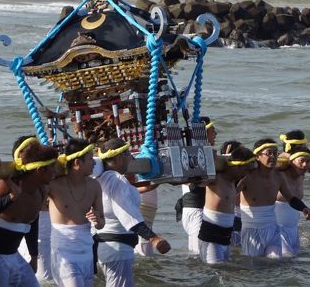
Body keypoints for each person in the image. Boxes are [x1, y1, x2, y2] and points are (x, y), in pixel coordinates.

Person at [0, 136, 58, 287]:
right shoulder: (7, 185)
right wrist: (11, 198)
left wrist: (34, 256)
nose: (55, 171)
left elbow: (32, 220)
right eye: (52, 166)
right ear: (40, 169)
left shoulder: (41, 190)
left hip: (13, 255)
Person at [95, 138, 170, 286]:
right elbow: (127, 215)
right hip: (117, 247)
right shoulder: (117, 181)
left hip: (104, 246)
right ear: (117, 158)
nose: (133, 158)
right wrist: (153, 238)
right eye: (128, 154)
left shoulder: (100, 178)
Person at [237, 139, 310, 259]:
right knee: (254, 268)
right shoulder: (247, 177)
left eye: (275, 153)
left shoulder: (278, 177)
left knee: (276, 264)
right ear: (257, 156)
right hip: (252, 230)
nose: (272, 156)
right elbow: (231, 197)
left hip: (273, 229)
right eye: (269, 153)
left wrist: (304, 207)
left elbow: (291, 198)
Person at [48, 138, 105, 287]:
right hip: (64, 251)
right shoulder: (54, 185)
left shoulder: (94, 185)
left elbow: (101, 224)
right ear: (77, 163)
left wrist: (98, 220)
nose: (94, 163)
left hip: (86, 250)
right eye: (90, 159)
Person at [198, 145, 256, 264]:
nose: (247, 174)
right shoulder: (215, 179)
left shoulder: (233, 182)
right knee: (215, 272)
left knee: (225, 274)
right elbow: (194, 181)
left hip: (226, 238)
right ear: (237, 166)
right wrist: (209, 159)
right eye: (246, 169)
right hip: (211, 238)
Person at [175, 117, 217, 254]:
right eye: (213, 130)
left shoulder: (200, 152)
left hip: (195, 210)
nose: (216, 134)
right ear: (203, 134)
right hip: (195, 211)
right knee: (199, 253)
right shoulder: (195, 153)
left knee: (201, 251)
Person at [275, 143, 310, 256]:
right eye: (301, 161)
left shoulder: (301, 175)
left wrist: (304, 207)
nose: (305, 165)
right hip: (278, 228)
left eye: (307, 161)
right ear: (291, 162)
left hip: (293, 230)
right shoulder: (279, 174)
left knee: (295, 261)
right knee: (286, 259)